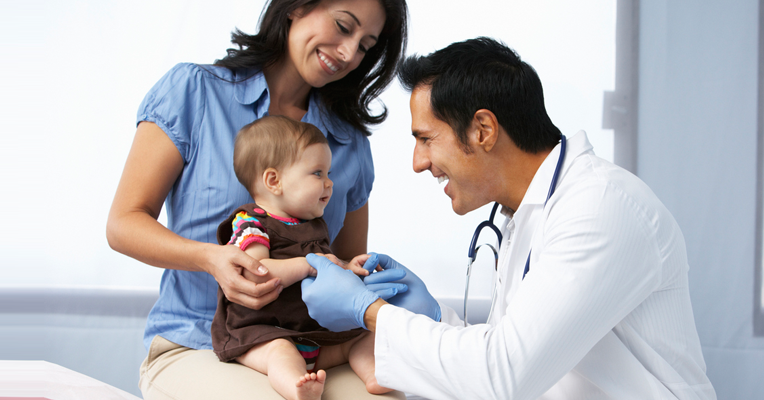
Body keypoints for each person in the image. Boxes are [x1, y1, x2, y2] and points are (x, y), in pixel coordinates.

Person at [300, 37, 718, 399]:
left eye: (426, 139)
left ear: (482, 129)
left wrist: (368, 311)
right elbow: (505, 352)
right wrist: (428, 315)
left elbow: (504, 376)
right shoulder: (524, 214)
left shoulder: (601, 209)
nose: (418, 162)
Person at [105, 0, 408, 399]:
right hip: (199, 342)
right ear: (296, 7)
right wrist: (210, 259)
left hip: (314, 347)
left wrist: (366, 276)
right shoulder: (195, 92)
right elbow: (124, 223)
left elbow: (345, 271)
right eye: (342, 25)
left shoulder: (349, 143)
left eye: (366, 45)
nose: (350, 53)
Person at [212, 115, 394, 400]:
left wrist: (347, 267)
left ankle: (373, 374)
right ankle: (298, 387)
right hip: (262, 332)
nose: (330, 183)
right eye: (318, 173)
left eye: (329, 173)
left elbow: (326, 267)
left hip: (315, 334)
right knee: (280, 354)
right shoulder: (251, 223)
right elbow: (254, 271)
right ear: (274, 181)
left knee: (364, 335)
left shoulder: (313, 226)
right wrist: (309, 264)